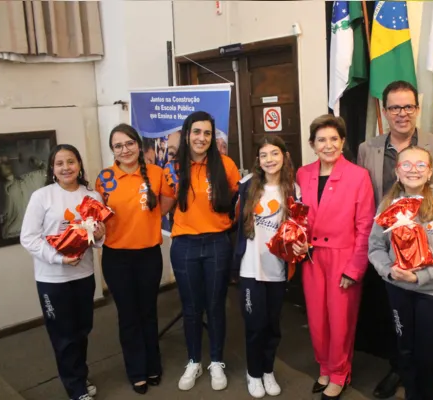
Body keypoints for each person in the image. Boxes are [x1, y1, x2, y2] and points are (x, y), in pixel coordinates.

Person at [356, 80, 433, 399]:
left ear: (417, 108)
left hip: (432, 271)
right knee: (400, 337)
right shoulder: (367, 149)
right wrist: (387, 268)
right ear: (385, 111)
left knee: (428, 349)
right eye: (394, 107)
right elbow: (369, 213)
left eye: (408, 106)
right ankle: (399, 373)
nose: (402, 113)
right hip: (393, 267)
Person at [295, 114, 375, 399]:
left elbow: (366, 226)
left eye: (333, 139)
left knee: (341, 320)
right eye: (321, 140)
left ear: (343, 142)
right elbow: (299, 216)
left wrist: (355, 267)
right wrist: (296, 241)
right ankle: (325, 366)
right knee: (317, 319)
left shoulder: (358, 175)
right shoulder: (303, 174)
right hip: (311, 257)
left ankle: (340, 372)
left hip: (344, 256)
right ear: (312, 144)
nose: (328, 145)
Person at [20, 144, 106, 400]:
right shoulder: (42, 196)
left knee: (82, 330)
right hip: (52, 279)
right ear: (52, 169)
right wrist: (58, 258)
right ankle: (76, 389)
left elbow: (97, 238)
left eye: (71, 161)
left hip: (84, 275)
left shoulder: (93, 197)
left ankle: (78, 375)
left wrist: (100, 235)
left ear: (79, 165)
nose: (66, 167)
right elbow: (29, 238)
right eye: (60, 163)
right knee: (63, 335)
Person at [95, 124, 176, 395]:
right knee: (128, 316)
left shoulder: (155, 172)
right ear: (113, 151)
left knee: (148, 312)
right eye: (118, 146)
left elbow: (167, 199)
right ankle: (136, 370)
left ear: (138, 145)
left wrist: (150, 217)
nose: (124, 150)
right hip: (116, 258)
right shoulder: (104, 178)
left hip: (148, 256)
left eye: (129, 143)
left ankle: (153, 364)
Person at [165, 111, 241, 392]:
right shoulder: (173, 168)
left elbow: (235, 202)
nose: (201, 138)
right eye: (196, 132)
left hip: (217, 244)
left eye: (207, 133)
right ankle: (194, 360)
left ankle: (217, 361)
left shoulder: (226, 166)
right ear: (187, 134)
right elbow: (162, 206)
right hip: (184, 245)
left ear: (213, 137)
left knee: (216, 306)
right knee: (191, 308)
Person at [232, 136, 300, 398]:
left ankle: (268, 369)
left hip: (278, 269)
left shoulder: (293, 189)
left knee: (273, 324)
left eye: (275, 153)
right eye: (264, 155)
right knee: (254, 324)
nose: (269, 159)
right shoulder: (246, 186)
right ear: (258, 161)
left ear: (284, 156)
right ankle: (254, 373)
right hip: (251, 268)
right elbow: (233, 221)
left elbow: (298, 228)